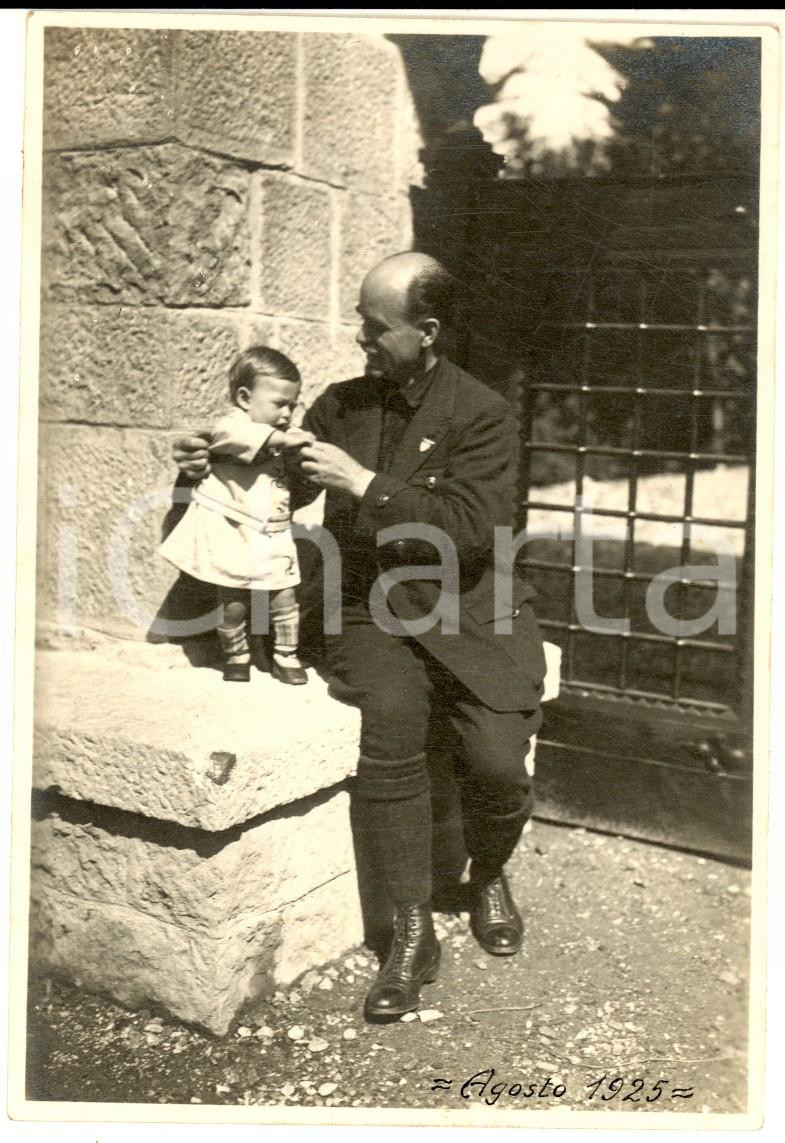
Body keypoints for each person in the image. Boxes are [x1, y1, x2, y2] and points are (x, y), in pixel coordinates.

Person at [173, 253, 546, 1022]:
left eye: (375, 327)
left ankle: (487, 873)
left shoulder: (481, 412)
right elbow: (281, 469)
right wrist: (210, 455)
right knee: (392, 725)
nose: (359, 338)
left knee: (498, 764)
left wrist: (367, 485)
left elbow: (477, 532)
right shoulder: (341, 404)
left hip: (471, 607)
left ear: (426, 331)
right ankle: (409, 931)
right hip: (367, 607)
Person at [161, 346, 314, 684]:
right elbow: (235, 437)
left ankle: (287, 656)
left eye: (293, 404)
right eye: (280, 404)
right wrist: (286, 439)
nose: (288, 413)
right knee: (233, 600)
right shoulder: (233, 426)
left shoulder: (275, 435)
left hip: (273, 529)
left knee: (284, 593)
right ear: (245, 398)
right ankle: (236, 655)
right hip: (233, 527)